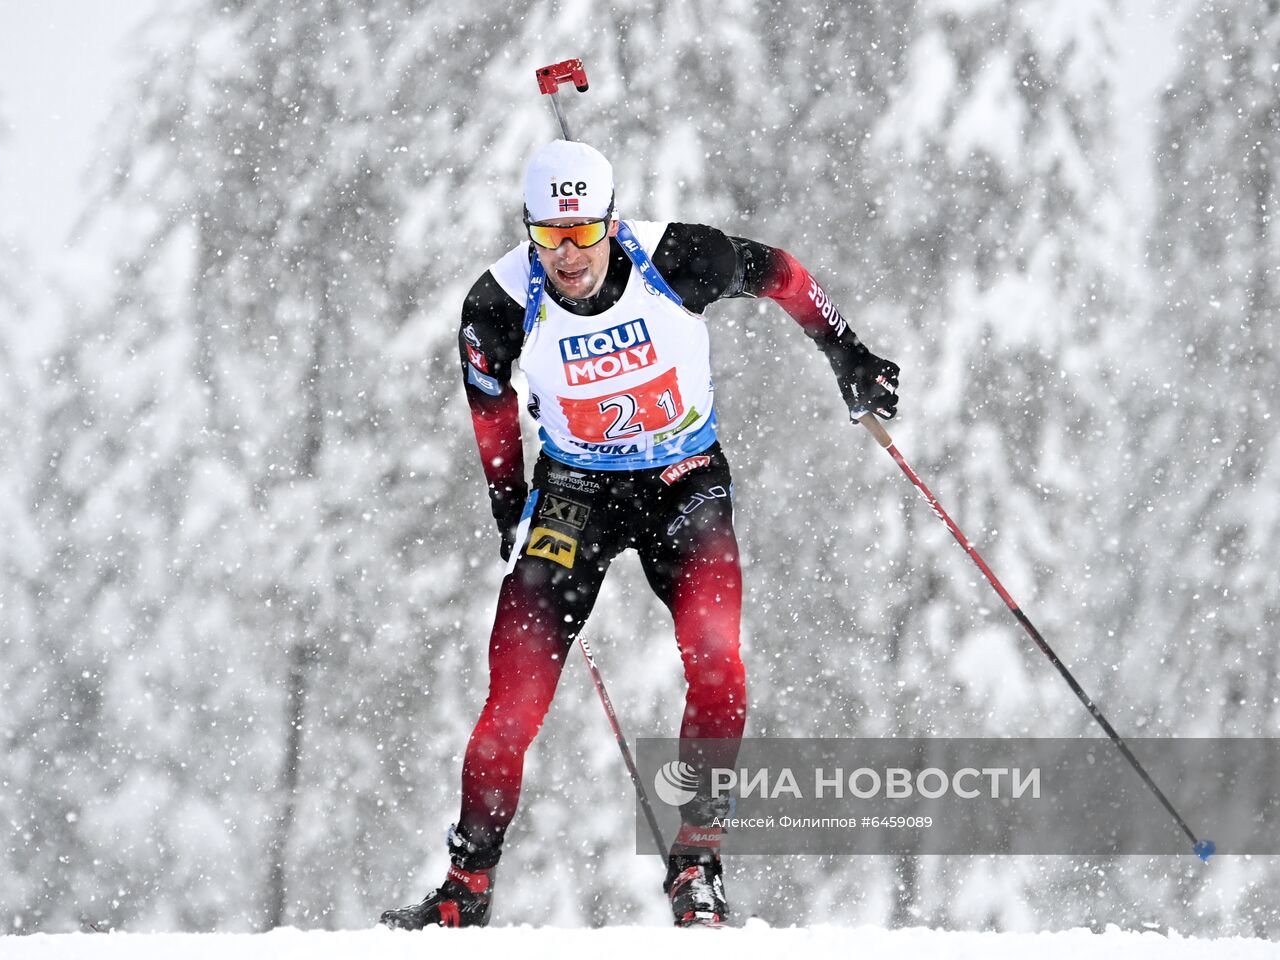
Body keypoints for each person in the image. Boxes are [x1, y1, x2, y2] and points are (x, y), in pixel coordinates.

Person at [381, 140, 899, 929]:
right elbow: (487, 401)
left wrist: (848, 357)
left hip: (682, 481)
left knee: (718, 662)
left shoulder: (679, 258)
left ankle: (697, 867)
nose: (568, 255)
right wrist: (506, 500)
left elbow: (786, 275)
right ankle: (466, 886)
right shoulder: (496, 303)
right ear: (530, 231)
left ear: (609, 222)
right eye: (549, 236)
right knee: (513, 699)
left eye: (584, 233)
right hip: (575, 494)